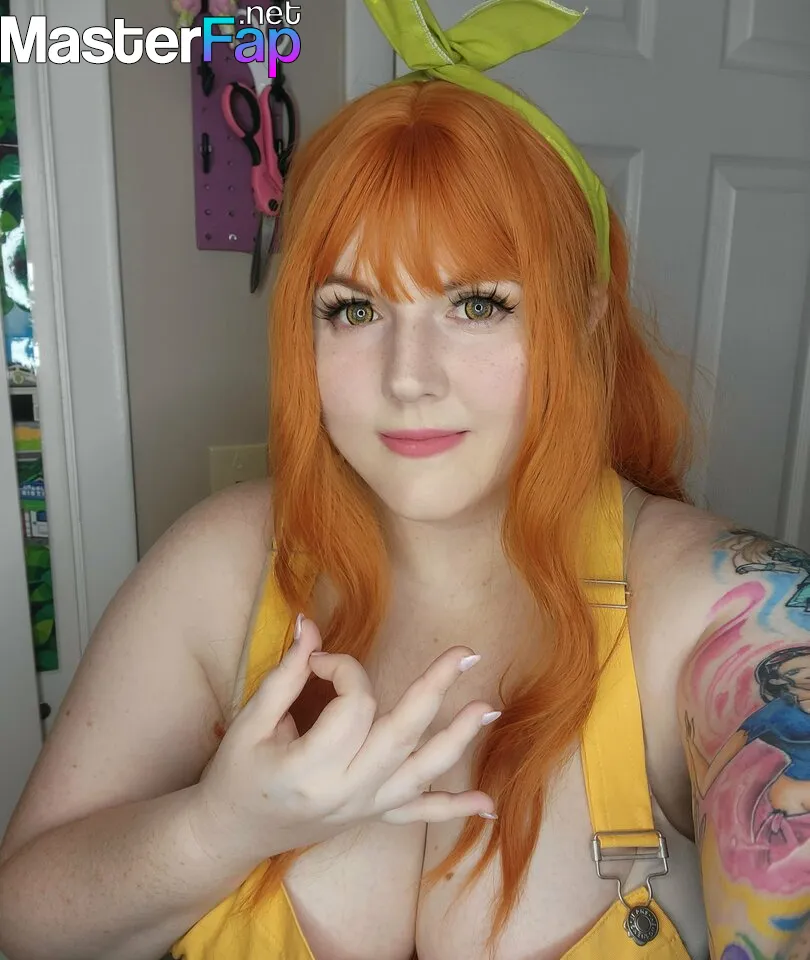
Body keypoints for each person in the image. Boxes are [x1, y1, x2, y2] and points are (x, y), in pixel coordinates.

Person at [1, 1, 810, 959]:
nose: (408, 378)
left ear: (585, 317)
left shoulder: (726, 611)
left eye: (477, 304)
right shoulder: (223, 565)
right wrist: (219, 829)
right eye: (353, 309)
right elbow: (23, 920)